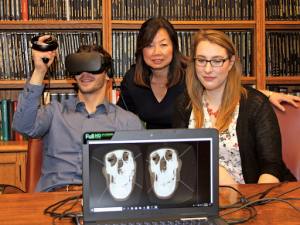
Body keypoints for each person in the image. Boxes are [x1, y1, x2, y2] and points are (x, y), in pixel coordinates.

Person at [12, 36, 144, 192]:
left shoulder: (128, 122)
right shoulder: (54, 112)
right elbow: (22, 126)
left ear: (108, 73)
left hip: (102, 199)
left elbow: (139, 180)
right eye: (79, 67)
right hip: (53, 201)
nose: (85, 73)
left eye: (93, 65)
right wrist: (40, 70)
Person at [117, 17, 300, 129]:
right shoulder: (132, 79)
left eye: (163, 44)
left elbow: (227, 85)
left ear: (174, 46)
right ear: (141, 49)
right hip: (153, 150)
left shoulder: (193, 71)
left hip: (188, 149)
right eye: (149, 45)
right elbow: (117, 117)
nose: (156, 52)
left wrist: (268, 95)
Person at [172, 29, 297, 185]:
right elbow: (180, 159)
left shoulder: (255, 105)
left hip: (252, 196)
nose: (208, 69)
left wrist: (255, 203)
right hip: (203, 197)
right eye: (202, 60)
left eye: (217, 61)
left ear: (231, 62)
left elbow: (271, 166)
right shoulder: (184, 103)